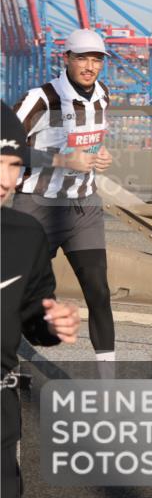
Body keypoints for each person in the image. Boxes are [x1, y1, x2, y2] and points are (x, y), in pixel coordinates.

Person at [10, 28, 115, 364]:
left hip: (84, 206)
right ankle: (7, 365)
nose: (90, 66)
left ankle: (108, 384)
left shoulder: (103, 94)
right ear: (66, 58)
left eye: (96, 59)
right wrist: (62, 160)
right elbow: (6, 149)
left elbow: (92, 139)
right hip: (37, 207)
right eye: (82, 57)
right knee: (19, 292)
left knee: (98, 290)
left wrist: (102, 156)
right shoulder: (39, 99)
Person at [2, 101, 81, 498]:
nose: (4, 180)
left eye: (14, 165)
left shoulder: (25, 235)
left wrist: (51, 324)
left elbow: (34, 314)